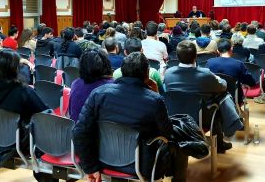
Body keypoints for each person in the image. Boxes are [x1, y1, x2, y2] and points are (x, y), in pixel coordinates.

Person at [73, 52, 189, 182]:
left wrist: (91, 167)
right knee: (181, 142)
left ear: (122, 72)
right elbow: (167, 132)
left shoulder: (98, 94)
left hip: (102, 160)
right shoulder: (154, 100)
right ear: (147, 73)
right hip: (140, 166)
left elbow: (79, 131)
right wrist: (156, 93)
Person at [0, 49, 48, 165]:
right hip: (17, 143)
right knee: (46, 118)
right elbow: (43, 111)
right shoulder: (22, 90)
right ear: (15, 69)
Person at [164, 40, 232, 152]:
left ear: (177, 56)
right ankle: (219, 144)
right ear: (196, 56)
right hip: (200, 118)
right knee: (216, 107)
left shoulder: (168, 73)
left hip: (174, 116)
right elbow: (223, 87)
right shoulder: (205, 74)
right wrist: (219, 79)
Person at [206, 39, 256, 104]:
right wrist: (243, 83)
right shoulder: (239, 64)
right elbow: (251, 81)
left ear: (218, 50)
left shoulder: (209, 62)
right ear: (231, 49)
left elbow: (206, 79)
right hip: (234, 98)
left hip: (214, 98)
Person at [69, 49, 113, 121]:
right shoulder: (111, 86)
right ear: (106, 64)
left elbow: (71, 113)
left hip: (75, 128)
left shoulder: (75, 83)